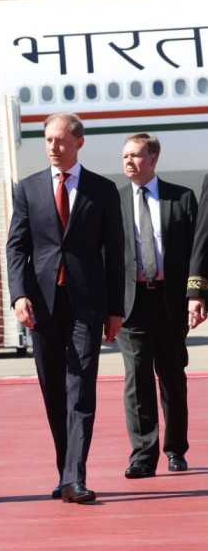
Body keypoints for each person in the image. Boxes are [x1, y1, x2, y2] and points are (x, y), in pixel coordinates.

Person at [5, 113, 124, 504]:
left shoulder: (103, 190)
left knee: (80, 388)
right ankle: (64, 469)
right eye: (47, 140)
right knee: (53, 390)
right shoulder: (28, 189)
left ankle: (76, 477)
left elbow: (115, 254)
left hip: (87, 305)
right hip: (41, 306)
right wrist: (19, 295)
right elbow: (17, 247)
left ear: (79, 143)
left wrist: (115, 310)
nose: (53, 147)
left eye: (60, 140)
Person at [114, 133, 196, 477]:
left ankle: (175, 449)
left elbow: (199, 252)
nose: (128, 162)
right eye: (125, 157)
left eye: (135, 156)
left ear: (153, 159)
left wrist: (197, 296)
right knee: (137, 381)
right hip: (131, 304)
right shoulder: (113, 202)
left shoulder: (182, 199)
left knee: (173, 379)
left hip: (169, 302)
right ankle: (142, 456)